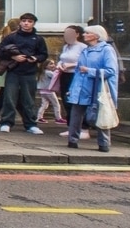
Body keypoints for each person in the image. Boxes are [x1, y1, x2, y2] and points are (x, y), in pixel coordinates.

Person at [65, 23, 119, 153]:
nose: (84, 35)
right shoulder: (85, 50)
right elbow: (78, 72)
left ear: (96, 36)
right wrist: (72, 89)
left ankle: (104, 143)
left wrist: (89, 70)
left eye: (87, 33)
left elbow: (110, 70)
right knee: (76, 114)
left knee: (101, 114)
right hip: (82, 87)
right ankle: (72, 140)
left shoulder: (106, 50)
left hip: (98, 88)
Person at [0, 13, 49, 134]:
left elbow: (43, 54)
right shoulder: (11, 37)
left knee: (28, 100)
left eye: (29, 21)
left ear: (33, 23)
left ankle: (30, 124)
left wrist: (35, 58)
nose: (26, 23)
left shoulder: (38, 39)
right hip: (13, 71)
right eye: (24, 21)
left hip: (29, 72)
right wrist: (14, 56)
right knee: (9, 98)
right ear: (20, 22)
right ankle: (6, 122)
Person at [43, 24, 82, 128]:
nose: (67, 36)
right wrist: (59, 65)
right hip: (64, 75)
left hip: (75, 76)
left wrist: (71, 65)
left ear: (77, 34)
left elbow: (85, 62)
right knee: (65, 99)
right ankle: (70, 126)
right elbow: (62, 59)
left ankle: (79, 126)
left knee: (73, 100)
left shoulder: (82, 47)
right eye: (65, 34)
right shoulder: (66, 47)